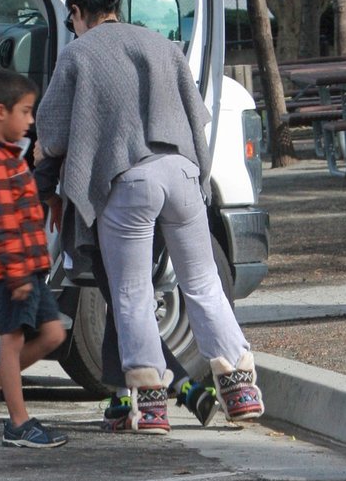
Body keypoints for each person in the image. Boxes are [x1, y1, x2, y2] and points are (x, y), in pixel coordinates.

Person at [35, 0, 263, 435]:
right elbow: (195, 114)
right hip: (181, 173)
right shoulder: (161, 44)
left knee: (132, 293)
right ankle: (240, 387)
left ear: (78, 11)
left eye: (70, 18)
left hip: (129, 179)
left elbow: (53, 133)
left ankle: (151, 405)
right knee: (202, 283)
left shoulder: (79, 54)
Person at [34, 117, 219, 432]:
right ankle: (127, 398)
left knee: (126, 310)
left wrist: (45, 184)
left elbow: (56, 138)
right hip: (162, 194)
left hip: (102, 208)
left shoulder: (85, 82)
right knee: (124, 311)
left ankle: (181, 388)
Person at [0, 68, 68, 448]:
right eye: (25, 112)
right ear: (0, 112)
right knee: (11, 342)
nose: (30, 120)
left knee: (53, 333)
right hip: (13, 272)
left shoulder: (9, 157)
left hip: (30, 268)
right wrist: (17, 275)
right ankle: (18, 424)